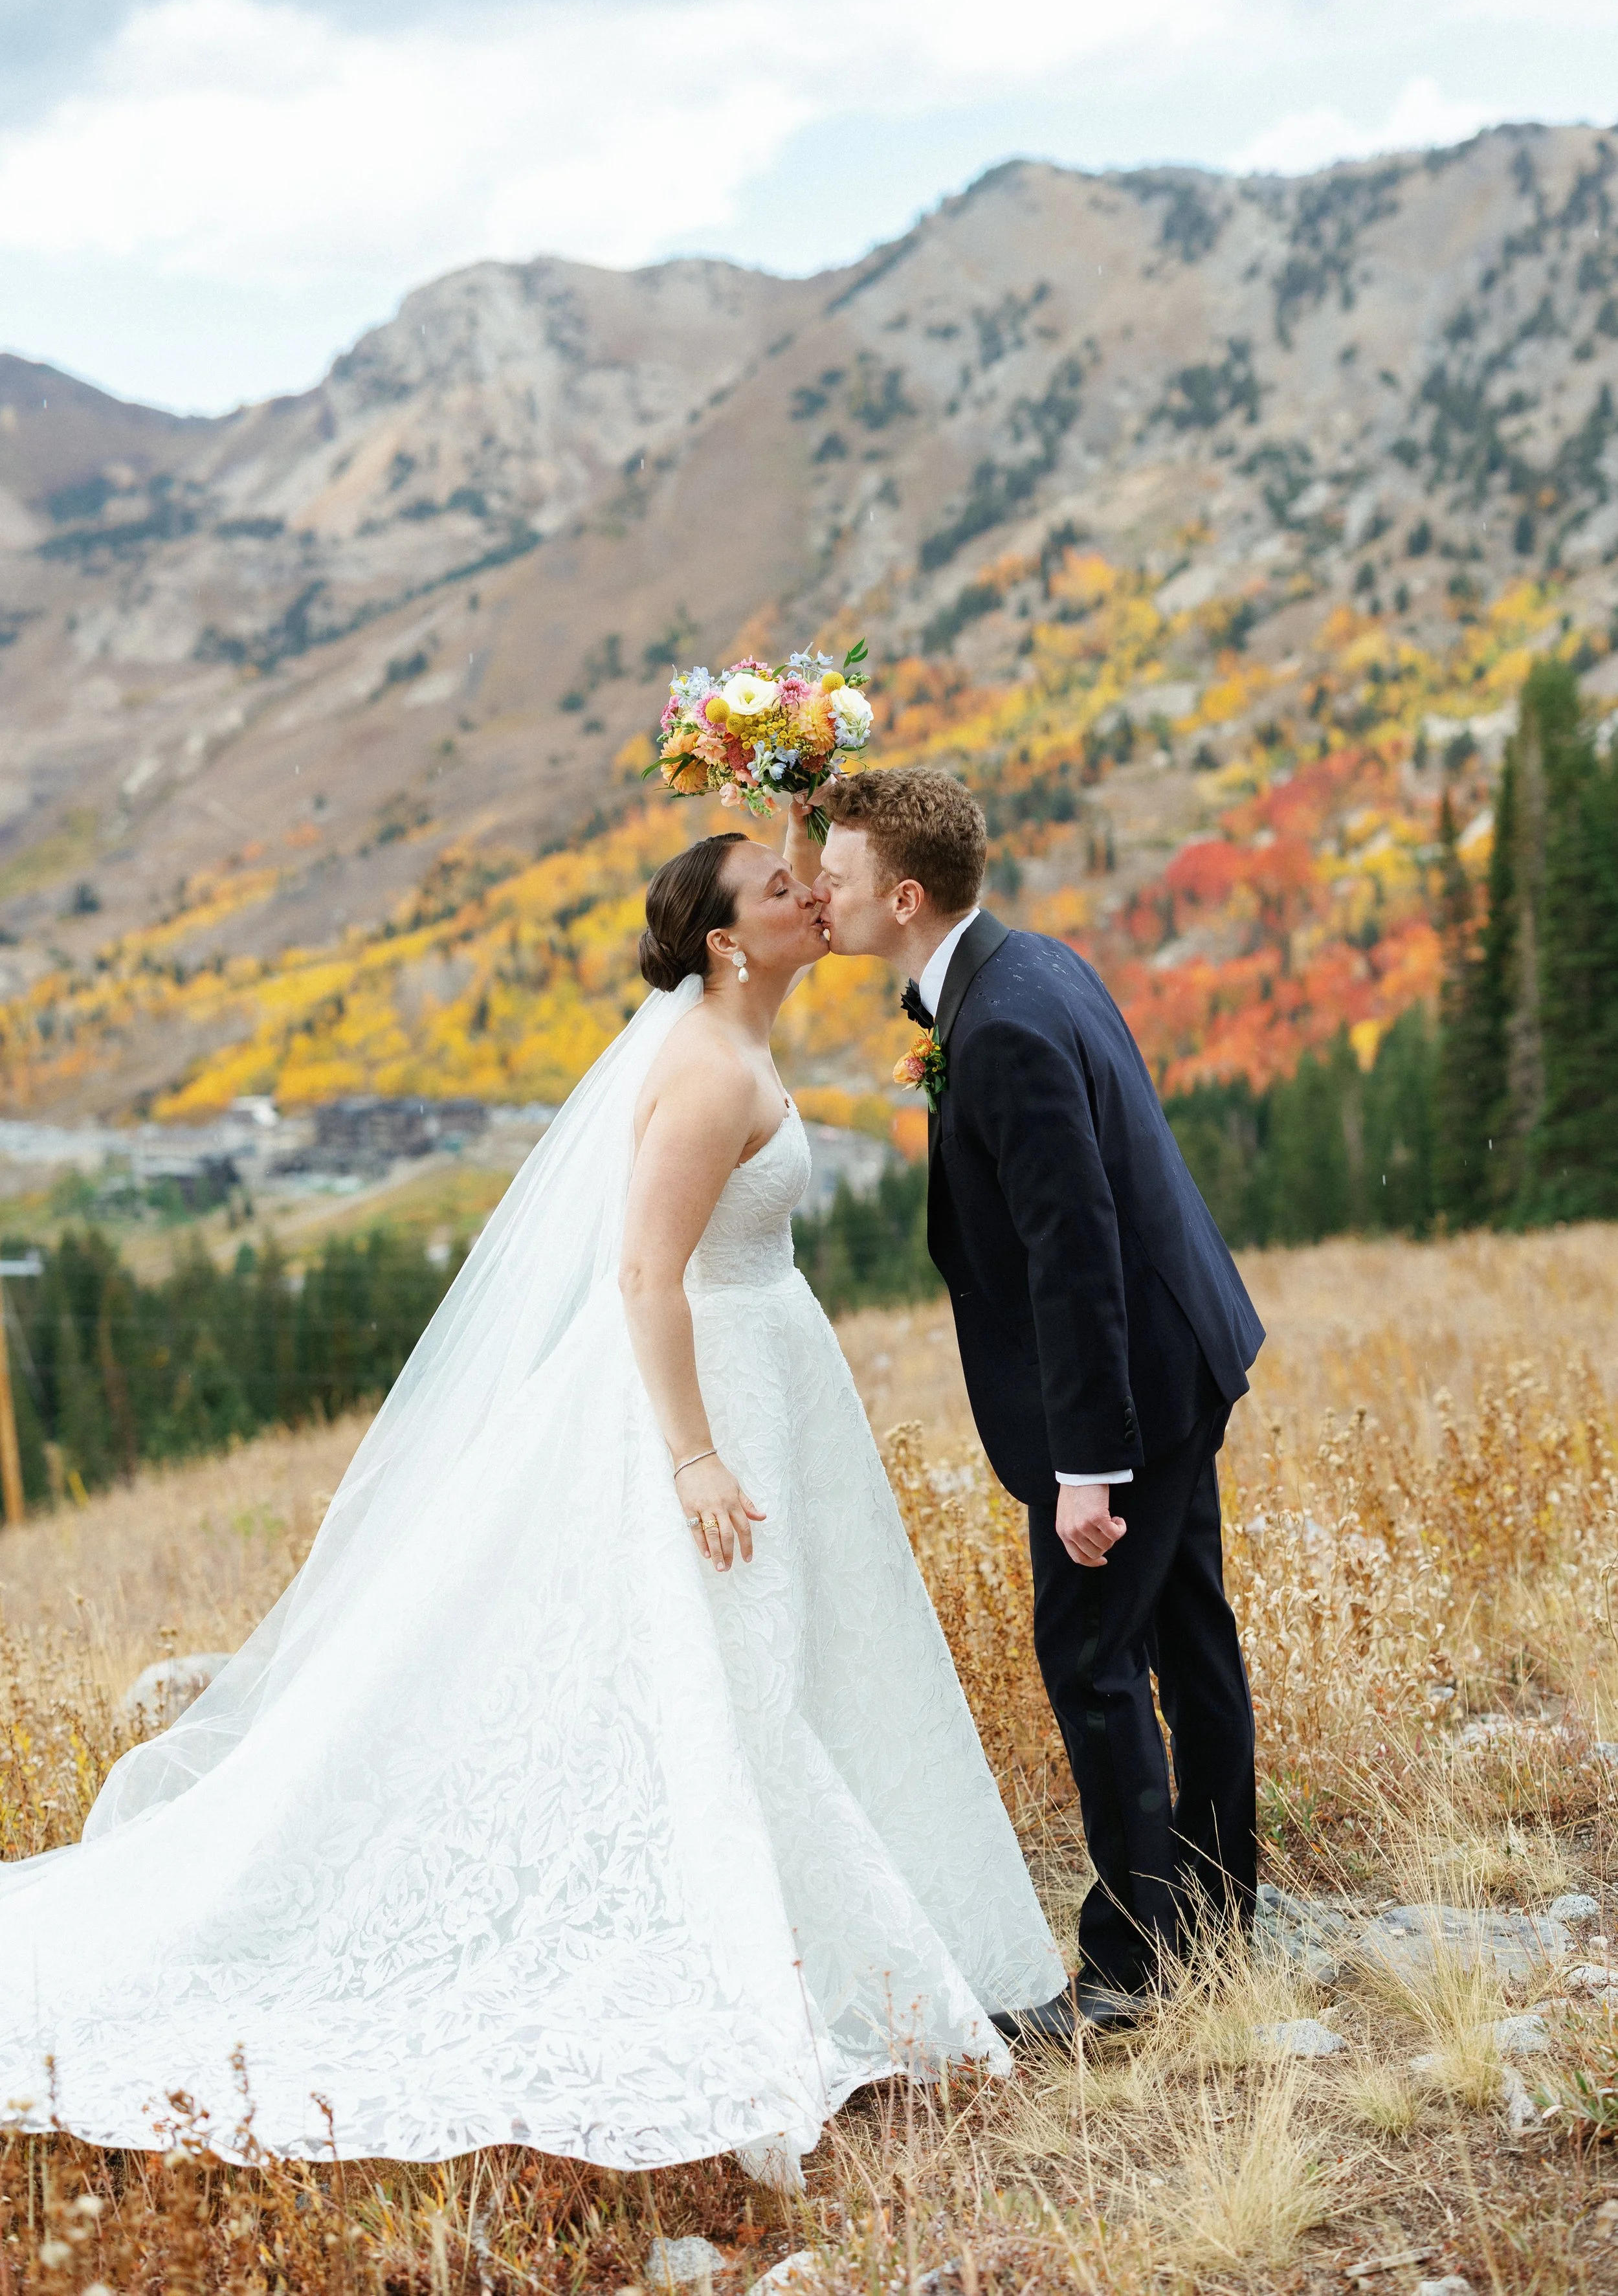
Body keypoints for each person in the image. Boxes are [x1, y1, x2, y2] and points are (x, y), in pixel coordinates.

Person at [0, 829, 1061, 2180]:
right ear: (728, 942)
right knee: (736, 1683)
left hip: (766, 1390)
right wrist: (691, 1456)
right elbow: (642, 1277)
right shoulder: (700, 1067)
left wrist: (787, 755)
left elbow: (779, 866)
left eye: (811, 878)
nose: (811, 896)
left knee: (783, 1665)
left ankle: (835, 1944)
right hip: (705, 1405)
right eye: (783, 889)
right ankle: (782, 1972)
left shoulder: (739, 1031)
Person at [792, 770, 1265, 2034]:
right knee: (1188, 1638)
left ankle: (1127, 1974)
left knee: (1092, 1659)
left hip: (1128, 1392)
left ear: (901, 893)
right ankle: (1215, 1920)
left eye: (831, 879)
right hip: (1182, 1350)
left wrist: (1086, 1469)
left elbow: (1074, 1254)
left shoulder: (996, 1027)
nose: (814, 896)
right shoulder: (1022, 966)